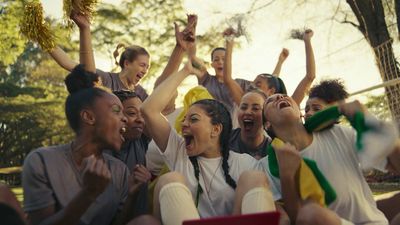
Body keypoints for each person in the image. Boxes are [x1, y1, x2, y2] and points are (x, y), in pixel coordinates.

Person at [141, 61, 276, 225]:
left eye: (194, 119)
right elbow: (149, 110)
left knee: (254, 178)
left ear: (216, 129)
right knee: (169, 179)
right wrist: (185, 71)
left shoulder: (244, 163)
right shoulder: (179, 152)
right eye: (184, 119)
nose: (183, 124)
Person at [22, 65, 159, 225]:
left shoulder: (119, 170)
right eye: (116, 111)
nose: (124, 119)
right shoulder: (42, 161)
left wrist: (131, 195)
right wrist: (89, 193)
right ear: (88, 117)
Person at [260, 93, 398, 225]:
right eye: (270, 101)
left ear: (300, 112)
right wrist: (287, 176)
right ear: (267, 125)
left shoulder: (337, 133)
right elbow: (297, 219)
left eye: (285, 96)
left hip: (374, 222)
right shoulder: (270, 166)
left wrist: (368, 118)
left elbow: (396, 165)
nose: (280, 97)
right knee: (310, 214)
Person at [48, 11, 150, 100]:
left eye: (147, 67)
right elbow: (67, 63)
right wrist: (43, 38)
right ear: (127, 63)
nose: (145, 71)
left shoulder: (141, 93)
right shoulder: (106, 79)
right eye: (142, 65)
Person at [222, 28, 315, 107]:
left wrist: (307, 41)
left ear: (271, 92)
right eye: (252, 84)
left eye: (257, 84)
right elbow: (228, 79)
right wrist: (229, 41)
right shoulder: (246, 103)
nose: (251, 86)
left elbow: (310, 76)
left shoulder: (284, 108)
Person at [229, 89, 271, 159]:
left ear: (266, 116)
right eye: (243, 107)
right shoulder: (224, 139)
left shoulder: (272, 150)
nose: (248, 112)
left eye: (255, 108)